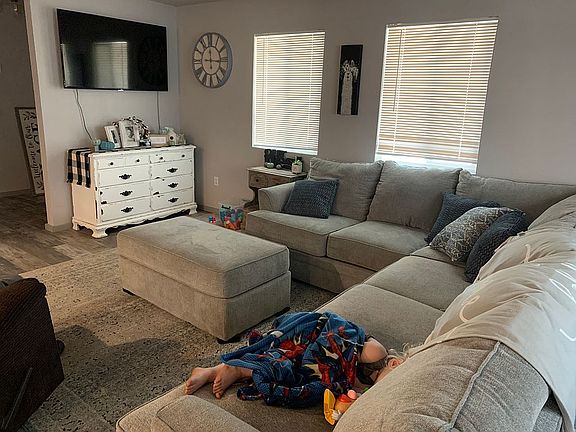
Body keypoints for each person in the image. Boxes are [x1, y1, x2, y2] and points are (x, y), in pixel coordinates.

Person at [184, 311, 407, 406]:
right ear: (395, 364)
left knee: (287, 370)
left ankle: (215, 370)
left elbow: (340, 381)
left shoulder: (370, 386)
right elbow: (342, 342)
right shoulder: (378, 354)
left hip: (311, 360)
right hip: (313, 335)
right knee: (287, 352)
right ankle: (236, 369)